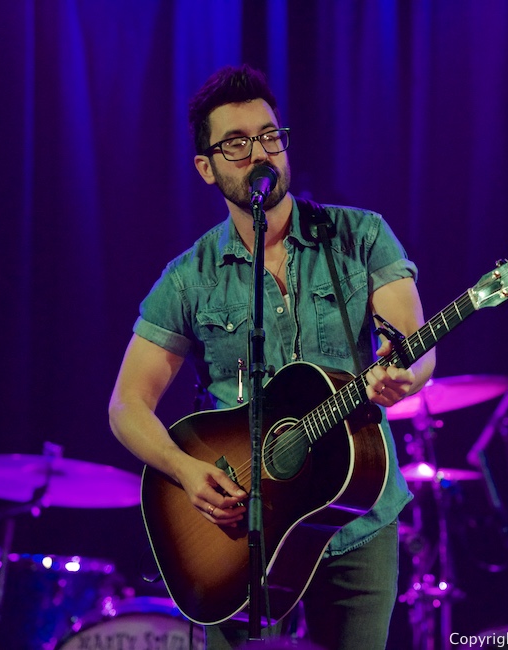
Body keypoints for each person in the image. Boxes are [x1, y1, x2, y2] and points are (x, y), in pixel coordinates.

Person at [108, 64, 436, 650]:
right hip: (241, 532)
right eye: (236, 143)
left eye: (269, 136)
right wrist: (185, 472)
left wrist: (402, 371)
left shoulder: (360, 236)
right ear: (205, 168)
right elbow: (127, 405)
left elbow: (413, 340)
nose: (259, 153)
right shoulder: (189, 278)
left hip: (356, 513)